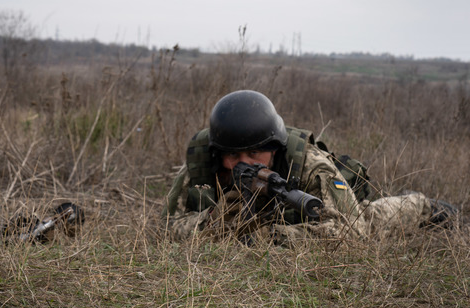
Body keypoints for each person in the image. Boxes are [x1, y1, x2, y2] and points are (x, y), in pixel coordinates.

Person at [162, 90, 459, 244]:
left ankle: (422, 207)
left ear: (274, 149)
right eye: (233, 156)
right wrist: (214, 220)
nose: (244, 164)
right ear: (218, 153)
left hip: (309, 208)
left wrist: (275, 237)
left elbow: (351, 233)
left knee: (369, 220)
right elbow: (166, 227)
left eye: (255, 153)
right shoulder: (202, 164)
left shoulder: (310, 166)